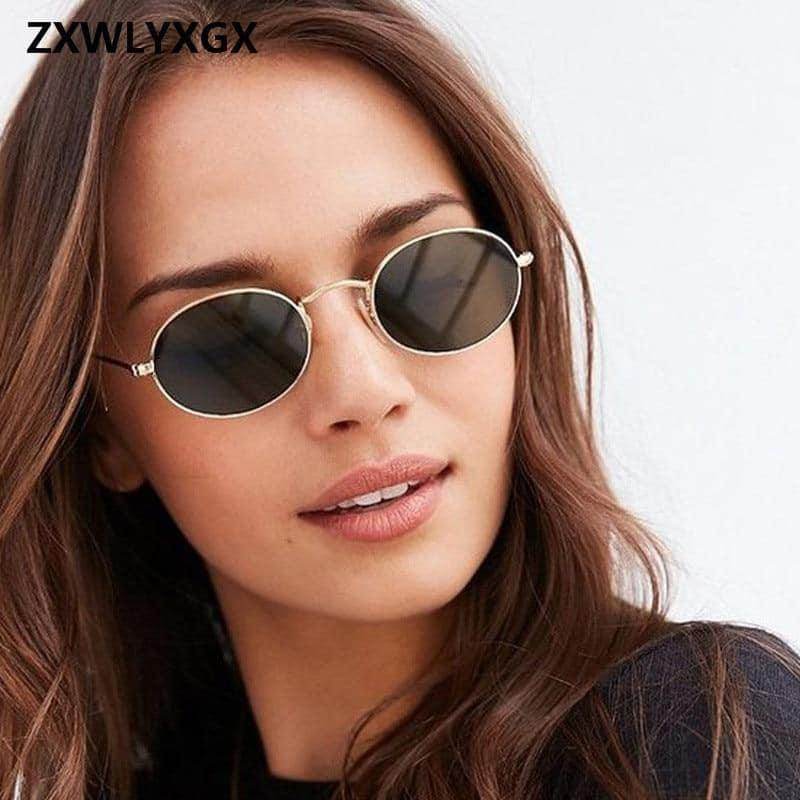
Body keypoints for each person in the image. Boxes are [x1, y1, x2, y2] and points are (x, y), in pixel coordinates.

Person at [1, 1, 798, 798]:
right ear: (99, 429)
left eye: (426, 274)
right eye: (230, 337)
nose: (365, 390)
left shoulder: (687, 738)